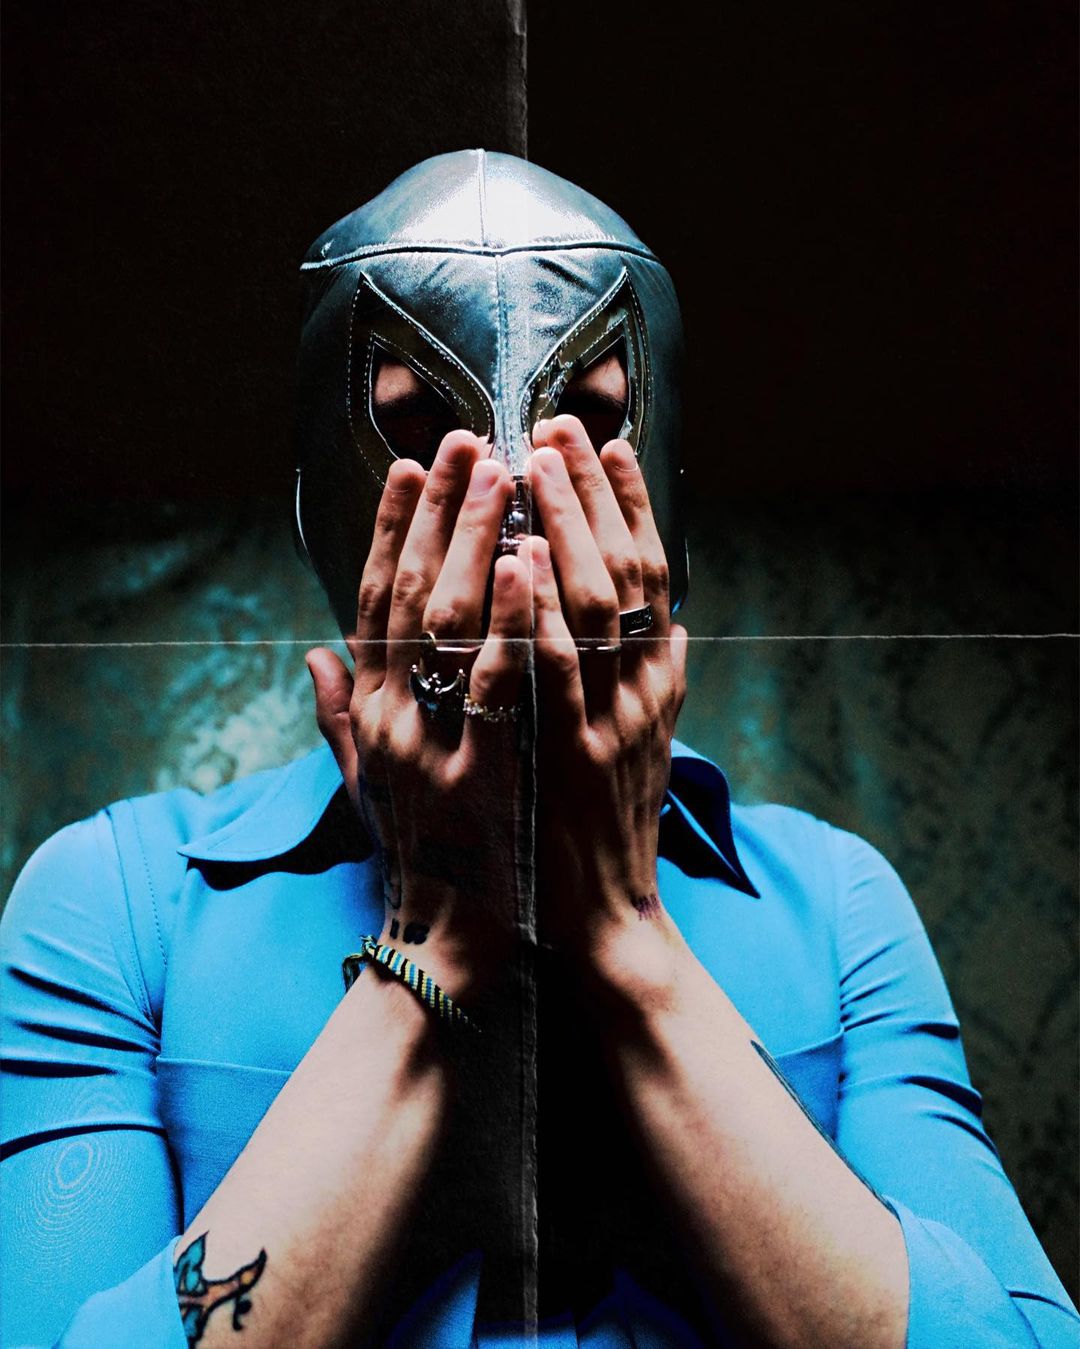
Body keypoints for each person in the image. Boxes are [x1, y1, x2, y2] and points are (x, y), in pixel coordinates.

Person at [1, 150, 1076, 1349]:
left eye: (589, 423)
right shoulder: (116, 906)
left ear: (661, 488)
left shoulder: (835, 907)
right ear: (321, 500)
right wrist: (437, 938)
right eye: (421, 428)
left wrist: (623, 929)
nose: (512, 495)